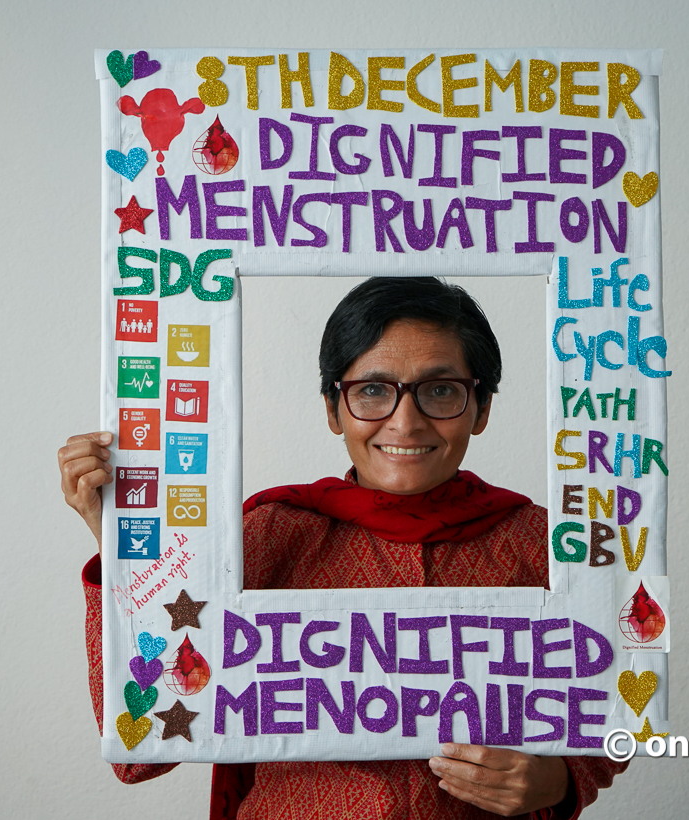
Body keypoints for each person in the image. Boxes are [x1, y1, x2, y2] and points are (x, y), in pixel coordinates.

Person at [59, 277, 628, 819]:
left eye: (440, 390)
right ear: (334, 409)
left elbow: (617, 716)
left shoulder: (547, 547)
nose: (406, 422)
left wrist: (560, 780)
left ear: (481, 409)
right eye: (373, 390)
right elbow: (137, 746)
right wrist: (127, 552)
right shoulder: (265, 538)